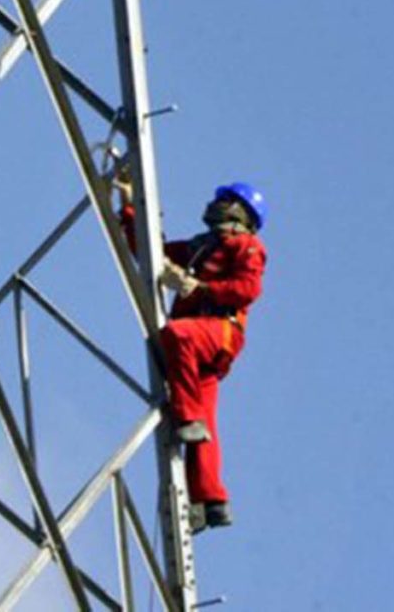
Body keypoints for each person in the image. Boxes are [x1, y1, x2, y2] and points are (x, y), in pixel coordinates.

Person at [116, 178, 268, 533]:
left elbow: (248, 289)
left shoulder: (246, 246)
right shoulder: (202, 247)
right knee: (205, 423)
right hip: (201, 344)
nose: (216, 206)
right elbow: (151, 254)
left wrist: (201, 289)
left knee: (177, 335)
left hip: (217, 331)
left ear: (241, 212)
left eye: (225, 201)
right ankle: (208, 501)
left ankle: (187, 418)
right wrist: (131, 207)